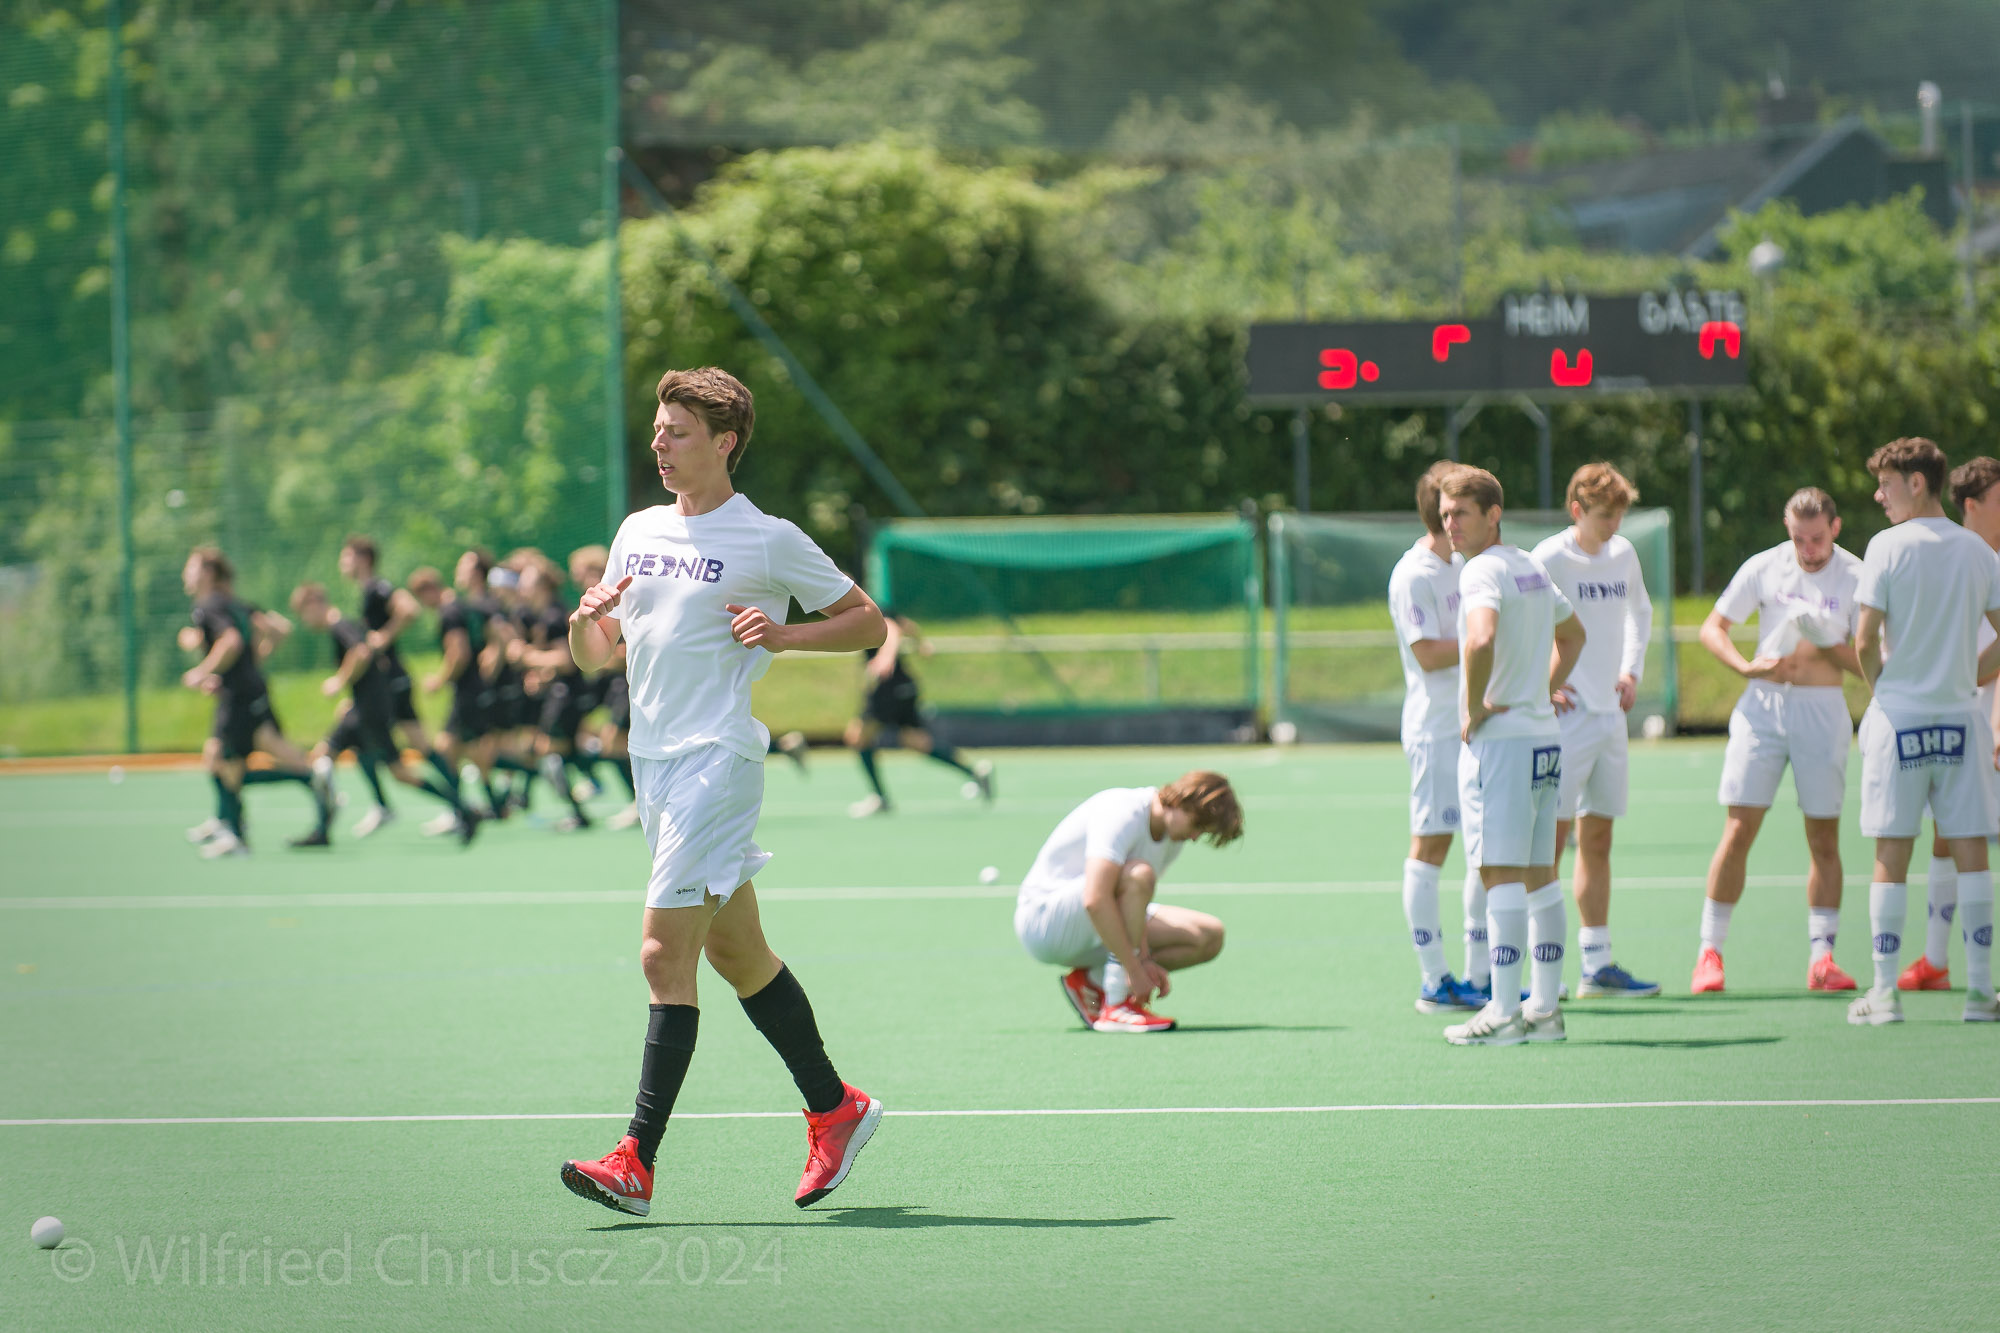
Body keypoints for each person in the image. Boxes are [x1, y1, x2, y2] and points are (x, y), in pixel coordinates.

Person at [560, 366, 888, 1218]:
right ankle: (836, 1107)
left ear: (724, 441)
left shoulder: (767, 538)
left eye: (677, 432)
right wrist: (584, 620)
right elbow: (598, 656)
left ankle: (636, 1158)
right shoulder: (636, 530)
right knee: (738, 955)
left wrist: (782, 634)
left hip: (717, 761)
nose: (660, 443)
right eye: (659, 429)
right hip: (654, 766)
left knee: (660, 955)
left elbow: (867, 621)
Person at [1847, 439, 2000, 1026]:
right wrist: (1971, 674)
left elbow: (1865, 639)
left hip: (1900, 718)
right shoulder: (1977, 550)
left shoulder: (1885, 546)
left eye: (1886, 483)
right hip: (1962, 718)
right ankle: (1981, 993)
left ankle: (1885, 995)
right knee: (1971, 851)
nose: (1878, 495)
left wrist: (1884, 687)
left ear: (1916, 482)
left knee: (1892, 851)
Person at [1690, 489, 1864, 993]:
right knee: (1738, 829)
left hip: (1822, 709)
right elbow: (1713, 628)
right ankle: (1709, 953)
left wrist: (1829, 642)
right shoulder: (1765, 566)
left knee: (1823, 835)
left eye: (1817, 539)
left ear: (1835, 528)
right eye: (1798, 539)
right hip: (1762, 708)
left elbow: (1871, 665)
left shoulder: (1857, 575)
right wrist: (1745, 666)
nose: (1807, 549)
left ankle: (1822, 957)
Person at [1437, 467, 1587, 1046]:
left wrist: (1474, 706)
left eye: (1461, 513)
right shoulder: (1530, 566)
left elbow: (1480, 638)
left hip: (1501, 745)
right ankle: (1544, 1010)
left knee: (1499, 873)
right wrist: (1538, 690)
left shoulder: (1482, 570)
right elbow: (1573, 636)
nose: (1450, 524)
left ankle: (1503, 1013)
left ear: (1492, 514)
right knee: (1541, 875)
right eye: (1445, 514)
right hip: (1544, 739)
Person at [1532, 463, 1658, 997]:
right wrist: (1541, 684)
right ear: (1577, 510)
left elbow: (1639, 613)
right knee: (1549, 844)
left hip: (1611, 720)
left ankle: (1597, 967)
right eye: (1605, 515)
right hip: (1565, 723)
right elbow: (1520, 622)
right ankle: (1542, 972)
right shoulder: (1548, 558)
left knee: (1599, 839)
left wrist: (1631, 671)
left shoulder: (1623, 553)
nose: (1614, 525)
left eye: (1619, 515)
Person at [1013, 773, 1239, 1033]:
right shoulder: (1123, 811)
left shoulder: (1172, 837)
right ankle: (1117, 1005)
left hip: (1088, 921)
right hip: (1045, 923)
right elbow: (1095, 899)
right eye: (1197, 824)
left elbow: (1132, 902)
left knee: (1208, 935)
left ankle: (1091, 982)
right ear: (1181, 801)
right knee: (1139, 874)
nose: (1196, 836)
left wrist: (1144, 959)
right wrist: (1134, 967)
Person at [1902, 456, 2000, 991]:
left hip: (1985, 719)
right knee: (1947, 834)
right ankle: (1936, 961)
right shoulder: (1949, 555)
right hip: (1958, 719)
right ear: (1971, 505)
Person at [1387, 461, 1482, 1012]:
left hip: (1474, 726)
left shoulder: (1464, 564)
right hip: (1435, 731)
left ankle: (1482, 974)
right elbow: (1427, 654)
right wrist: (1492, 642)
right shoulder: (1413, 574)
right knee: (1431, 847)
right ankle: (1434, 981)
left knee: (1483, 848)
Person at [289, 583, 477, 844]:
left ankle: (327, 823)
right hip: (367, 708)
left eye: (303, 613)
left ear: (314, 604)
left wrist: (340, 681)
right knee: (386, 768)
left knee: (325, 760)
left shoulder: (340, 625)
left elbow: (361, 652)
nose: (305, 621)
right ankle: (460, 807)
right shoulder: (346, 624)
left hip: (369, 712)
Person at [178, 547, 332, 856]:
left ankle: (238, 830)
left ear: (207, 573)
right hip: (244, 690)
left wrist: (203, 671)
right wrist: (238, 667)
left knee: (227, 764)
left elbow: (231, 642)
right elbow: (278, 630)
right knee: (219, 756)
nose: (185, 574)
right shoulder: (234, 603)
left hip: (239, 696)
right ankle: (228, 822)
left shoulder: (209, 606)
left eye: (191, 567)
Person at [845, 609, 994, 818]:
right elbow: (908, 625)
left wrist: (886, 657)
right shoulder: (871, 605)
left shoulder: (865, 606)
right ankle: (974, 772)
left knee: (858, 737)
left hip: (887, 686)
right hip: (903, 685)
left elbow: (893, 629)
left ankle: (880, 798)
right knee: (915, 740)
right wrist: (921, 644)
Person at [338, 534, 435, 836]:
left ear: (363, 558)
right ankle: (457, 806)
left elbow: (409, 609)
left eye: (347, 556)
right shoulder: (366, 591)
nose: (343, 563)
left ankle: (456, 805)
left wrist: (384, 636)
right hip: (387, 680)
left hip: (388, 681)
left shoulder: (378, 587)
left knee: (360, 732)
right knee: (415, 745)